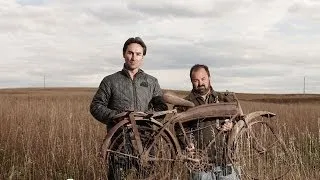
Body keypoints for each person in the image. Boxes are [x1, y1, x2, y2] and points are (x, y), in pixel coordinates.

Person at [89, 37, 168, 180]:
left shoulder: (151, 82)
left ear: (143, 57)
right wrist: (116, 116)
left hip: (146, 144)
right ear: (124, 54)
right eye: (130, 53)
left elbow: (161, 107)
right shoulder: (110, 81)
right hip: (119, 144)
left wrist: (147, 116)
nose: (133, 57)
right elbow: (96, 106)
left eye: (138, 54)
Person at [175, 64, 240, 180]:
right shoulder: (184, 104)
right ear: (191, 82)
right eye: (196, 80)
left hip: (226, 161)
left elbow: (237, 119)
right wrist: (187, 143)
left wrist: (232, 125)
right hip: (200, 164)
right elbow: (180, 128)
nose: (200, 83)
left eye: (203, 79)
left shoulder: (223, 99)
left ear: (209, 78)